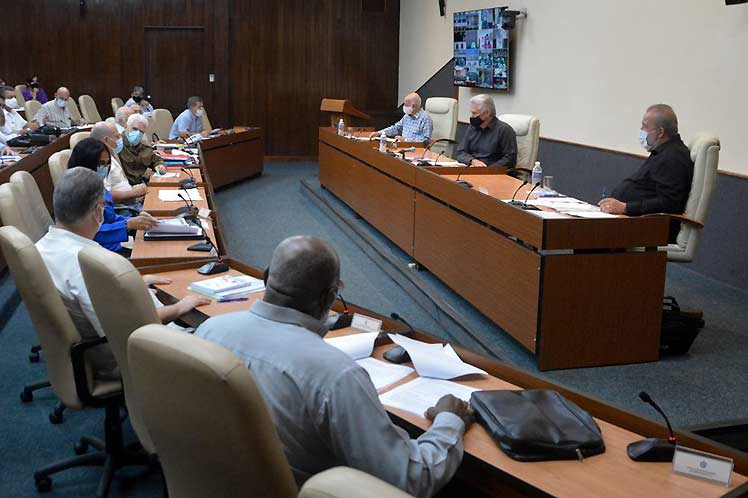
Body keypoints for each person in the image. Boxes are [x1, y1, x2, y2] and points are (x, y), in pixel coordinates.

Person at [196, 236, 472, 498]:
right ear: (330, 296)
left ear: (267, 277)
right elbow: (410, 481)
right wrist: (450, 421)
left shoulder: (210, 330)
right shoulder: (336, 375)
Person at [36, 167, 210, 379]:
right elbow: (131, 327)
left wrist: (133, 282)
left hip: (101, 342)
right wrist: (180, 307)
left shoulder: (42, 246)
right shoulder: (88, 263)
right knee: (220, 339)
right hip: (125, 354)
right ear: (98, 212)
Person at [599, 104, 694, 241]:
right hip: (635, 221)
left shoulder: (673, 157)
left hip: (649, 228)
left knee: (587, 235)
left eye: (644, 127)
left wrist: (625, 207)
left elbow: (669, 203)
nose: (641, 131)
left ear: (660, 132)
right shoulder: (663, 152)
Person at [69, 138, 158, 254]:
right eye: (100, 164)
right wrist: (127, 225)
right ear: (86, 162)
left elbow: (109, 217)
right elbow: (89, 233)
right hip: (97, 255)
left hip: (112, 248)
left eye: (107, 164)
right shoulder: (76, 191)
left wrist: (135, 221)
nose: (105, 168)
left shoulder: (96, 183)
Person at [90, 122, 147, 208]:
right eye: (117, 136)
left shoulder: (112, 154)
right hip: (121, 209)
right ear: (106, 140)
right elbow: (104, 195)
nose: (120, 139)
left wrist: (134, 193)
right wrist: (133, 193)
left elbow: (119, 184)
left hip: (131, 202)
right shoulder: (100, 163)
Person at [456, 94, 517, 168]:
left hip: (494, 172)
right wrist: (473, 161)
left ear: (487, 113)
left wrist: (487, 169)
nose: (471, 116)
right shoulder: (472, 127)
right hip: (472, 168)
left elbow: (510, 159)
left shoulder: (504, 130)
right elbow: (461, 152)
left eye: (474, 113)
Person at [119, 113, 166, 185]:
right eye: (134, 129)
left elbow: (156, 160)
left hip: (141, 185)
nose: (137, 133)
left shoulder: (144, 146)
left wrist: (160, 166)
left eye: (141, 131)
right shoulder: (117, 145)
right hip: (125, 188)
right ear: (126, 126)